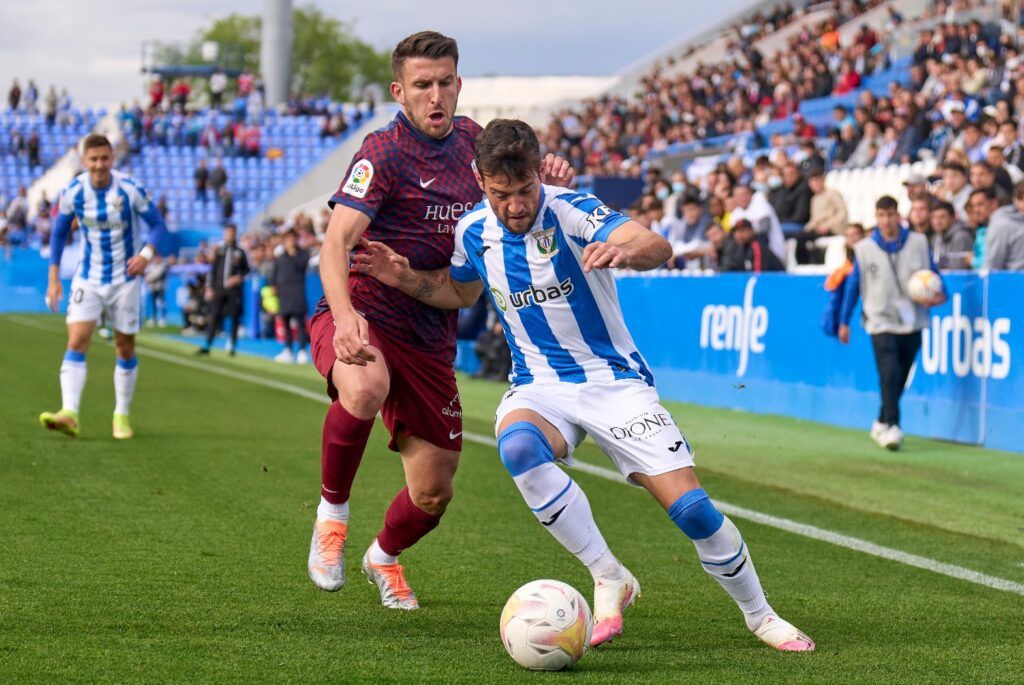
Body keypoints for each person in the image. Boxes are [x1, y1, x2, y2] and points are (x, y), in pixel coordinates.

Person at [352, 118, 816, 652]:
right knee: (520, 448)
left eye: (526, 190)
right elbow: (458, 291)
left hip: (614, 382)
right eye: (503, 195)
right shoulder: (473, 231)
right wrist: (404, 277)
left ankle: (760, 616)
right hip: (539, 385)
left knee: (692, 511)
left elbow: (655, 243)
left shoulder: (572, 208)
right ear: (481, 182)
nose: (517, 206)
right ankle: (608, 573)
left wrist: (626, 251)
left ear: (538, 175)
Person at [305, 31, 573, 610]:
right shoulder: (383, 152)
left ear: (459, 84)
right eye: (422, 85)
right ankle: (331, 519)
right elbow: (334, 245)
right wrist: (347, 318)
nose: (435, 96)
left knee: (432, 493)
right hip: (365, 311)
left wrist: (551, 172)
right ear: (399, 91)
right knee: (366, 383)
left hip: (430, 332)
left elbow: (520, 195)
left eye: (444, 83)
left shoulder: (476, 145)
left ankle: (383, 556)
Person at [39, 133, 167, 439]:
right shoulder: (73, 192)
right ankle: (70, 412)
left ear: (112, 159)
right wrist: (54, 278)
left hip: (125, 280)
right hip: (89, 277)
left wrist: (146, 255)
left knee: (124, 346)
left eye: (104, 159)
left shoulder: (129, 189)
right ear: (85, 161)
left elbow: (158, 225)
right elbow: (58, 234)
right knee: (77, 341)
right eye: (93, 160)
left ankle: (121, 415)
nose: (99, 165)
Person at [838, 196, 946, 450]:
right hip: (880, 319)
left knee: (901, 374)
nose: (887, 221)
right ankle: (894, 426)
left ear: (898, 215)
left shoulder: (918, 242)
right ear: (876, 218)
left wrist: (942, 294)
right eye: (882, 216)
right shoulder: (864, 248)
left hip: (913, 319)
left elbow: (933, 274)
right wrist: (844, 320)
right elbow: (853, 284)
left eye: (891, 215)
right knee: (889, 372)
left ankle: (881, 420)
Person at [196, 223, 249, 356]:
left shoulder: (240, 251)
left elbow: (246, 270)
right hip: (219, 288)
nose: (229, 235)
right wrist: (209, 287)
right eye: (227, 232)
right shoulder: (218, 250)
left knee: (234, 317)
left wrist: (238, 278)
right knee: (214, 316)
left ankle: (232, 346)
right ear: (224, 234)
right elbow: (212, 270)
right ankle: (207, 344)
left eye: (232, 232)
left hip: (233, 290)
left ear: (235, 233)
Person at [271, 230, 310, 364]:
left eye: (293, 238)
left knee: (300, 323)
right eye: (288, 239)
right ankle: (288, 350)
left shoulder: (302, 254)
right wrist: (274, 286)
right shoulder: (280, 257)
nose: (290, 241)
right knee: (285, 322)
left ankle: (302, 351)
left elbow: (302, 266)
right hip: (284, 294)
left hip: (297, 292)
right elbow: (275, 274)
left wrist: (293, 253)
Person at [984, 182, 1024, 270]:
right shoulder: (1002, 224)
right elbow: (993, 262)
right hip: (1014, 280)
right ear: (1015, 201)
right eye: (1021, 199)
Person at [929, 200, 974, 269]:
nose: (937, 221)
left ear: (953, 218)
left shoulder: (961, 237)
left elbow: (958, 268)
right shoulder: (936, 238)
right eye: (934, 217)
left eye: (942, 217)